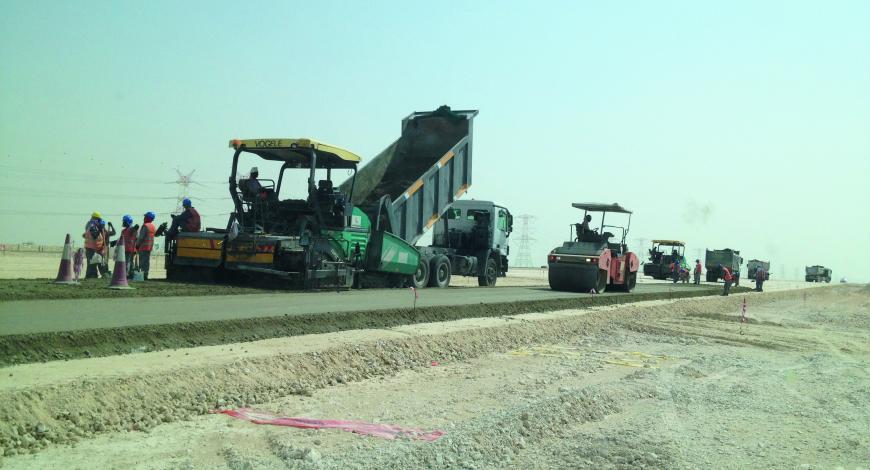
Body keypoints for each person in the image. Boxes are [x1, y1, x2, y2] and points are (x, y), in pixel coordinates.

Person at [83, 212, 105, 278]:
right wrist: (100, 228)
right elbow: (95, 235)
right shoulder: (92, 225)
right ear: (96, 219)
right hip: (91, 247)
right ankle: (90, 275)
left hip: (93, 247)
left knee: (93, 262)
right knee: (92, 262)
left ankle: (93, 275)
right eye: (99, 219)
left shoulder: (91, 224)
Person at [136, 211, 158, 280]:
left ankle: (141, 276)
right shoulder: (153, 226)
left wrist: (137, 245)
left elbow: (141, 237)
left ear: (147, 218)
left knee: (142, 262)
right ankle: (145, 274)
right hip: (149, 247)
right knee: (146, 262)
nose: (144, 218)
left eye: (145, 217)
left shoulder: (145, 226)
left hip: (143, 247)